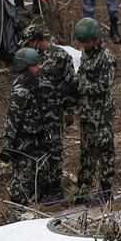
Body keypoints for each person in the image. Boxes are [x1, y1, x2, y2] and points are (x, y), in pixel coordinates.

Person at [23, 23, 78, 206]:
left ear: (38, 41)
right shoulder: (33, 58)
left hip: (55, 112)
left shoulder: (61, 56)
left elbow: (72, 85)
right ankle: (43, 187)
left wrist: (70, 111)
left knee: (55, 151)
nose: (28, 47)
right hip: (38, 114)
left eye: (30, 43)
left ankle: (56, 190)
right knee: (40, 150)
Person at [74, 18, 118, 204]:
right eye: (82, 42)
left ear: (95, 39)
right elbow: (81, 75)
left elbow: (103, 85)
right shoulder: (87, 54)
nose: (84, 45)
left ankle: (106, 192)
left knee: (105, 152)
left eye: (87, 41)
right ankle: (83, 190)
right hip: (86, 113)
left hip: (100, 115)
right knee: (86, 153)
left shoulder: (106, 59)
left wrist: (80, 86)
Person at [1, 48, 53, 204]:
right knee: (23, 178)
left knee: (44, 175)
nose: (38, 68)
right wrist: (8, 144)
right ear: (24, 67)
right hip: (25, 141)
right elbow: (13, 119)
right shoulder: (21, 91)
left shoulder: (36, 82)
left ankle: (36, 202)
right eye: (34, 65)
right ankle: (18, 207)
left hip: (39, 137)